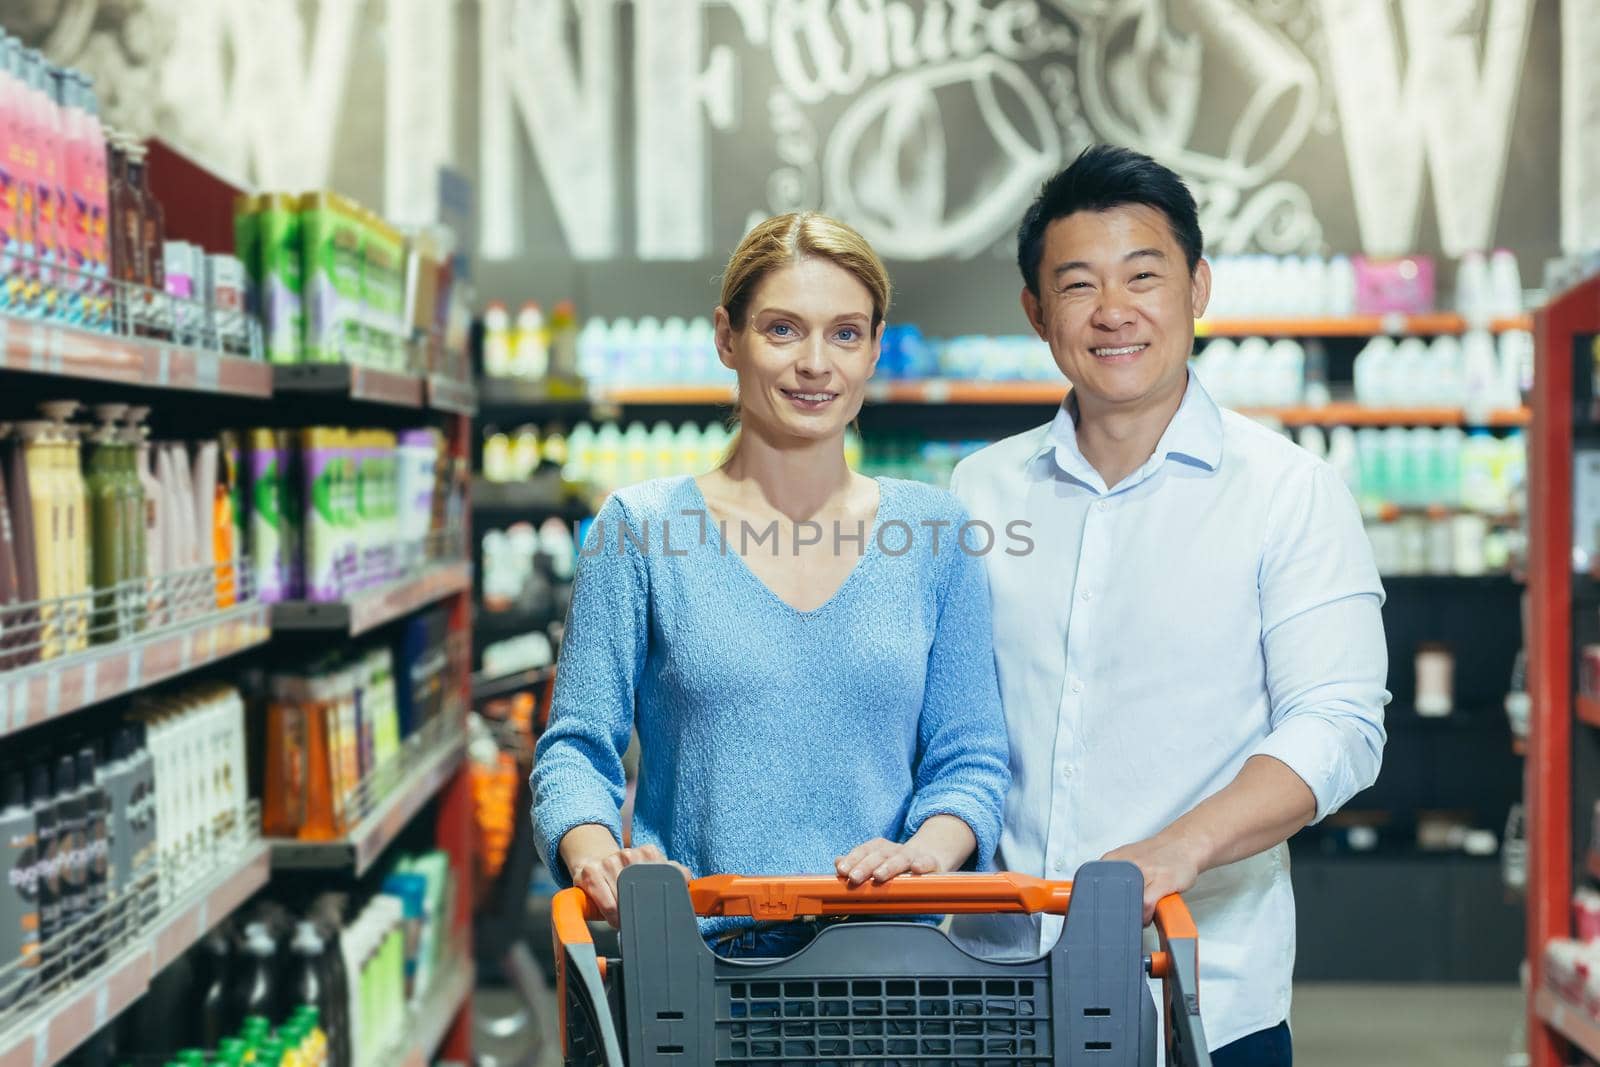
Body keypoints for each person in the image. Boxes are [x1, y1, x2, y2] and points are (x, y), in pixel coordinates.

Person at [948, 145, 1389, 1066]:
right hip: (994, 987)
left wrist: (1173, 850)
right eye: (1078, 285)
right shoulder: (978, 492)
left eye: (1143, 275)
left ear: (1198, 288)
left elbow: (1339, 723)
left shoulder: (1287, 491)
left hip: (1198, 994)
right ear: (1037, 312)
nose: (1114, 311)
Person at [530, 212, 1012, 959]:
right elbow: (574, 752)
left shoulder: (936, 534)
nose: (815, 362)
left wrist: (932, 850)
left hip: (888, 966)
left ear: (875, 350)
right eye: (783, 329)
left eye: (846, 333)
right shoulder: (641, 528)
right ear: (728, 338)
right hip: (695, 964)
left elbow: (970, 759)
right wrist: (600, 859)